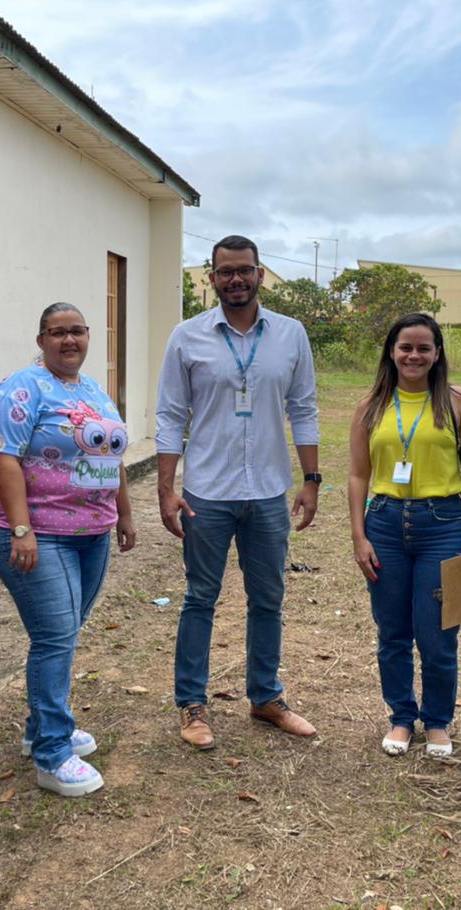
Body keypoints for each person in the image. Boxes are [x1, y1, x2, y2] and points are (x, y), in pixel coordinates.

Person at [156, 234, 321, 751]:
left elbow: (305, 408)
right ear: (211, 277)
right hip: (207, 491)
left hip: (269, 490)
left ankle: (266, 696)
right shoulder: (186, 337)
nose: (235, 279)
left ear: (259, 274)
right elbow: (170, 414)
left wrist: (312, 480)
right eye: (224, 271)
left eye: (244, 270)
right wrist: (166, 486)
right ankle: (192, 704)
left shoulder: (291, 335)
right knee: (200, 597)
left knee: (268, 598)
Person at [0, 302, 136, 797]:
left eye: (77, 331)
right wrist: (22, 529)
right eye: (57, 332)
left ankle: (41, 729)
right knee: (55, 637)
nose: (69, 340)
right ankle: (51, 753)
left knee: (65, 632)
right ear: (41, 339)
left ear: (88, 336)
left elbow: (112, 458)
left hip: (92, 533)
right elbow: (2, 456)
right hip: (39, 535)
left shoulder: (92, 391)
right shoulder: (22, 387)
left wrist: (125, 514)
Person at [347, 313, 461, 758]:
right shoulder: (371, 406)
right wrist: (359, 537)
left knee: (438, 633)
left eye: (423, 348)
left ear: (437, 353)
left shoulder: (457, 403)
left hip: (442, 525)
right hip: (385, 523)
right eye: (405, 347)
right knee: (392, 632)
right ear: (391, 352)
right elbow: (356, 476)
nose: (414, 355)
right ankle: (402, 718)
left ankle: (438, 721)